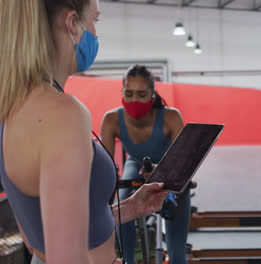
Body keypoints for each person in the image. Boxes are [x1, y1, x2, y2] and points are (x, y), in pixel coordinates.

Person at [0, 1, 168, 263]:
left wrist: (131, 207)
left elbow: (39, 229)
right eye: (95, 21)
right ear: (73, 24)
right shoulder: (62, 114)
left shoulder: (12, 103)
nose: (95, 32)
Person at [100, 65, 189, 264]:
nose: (134, 100)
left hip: (168, 169)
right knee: (122, 203)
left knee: (177, 255)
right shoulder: (112, 120)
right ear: (122, 91)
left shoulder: (171, 117)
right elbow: (105, 171)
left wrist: (166, 175)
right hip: (136, 164)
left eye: (141, 94)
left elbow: (183, 163)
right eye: (128, 93)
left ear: (152, 94)